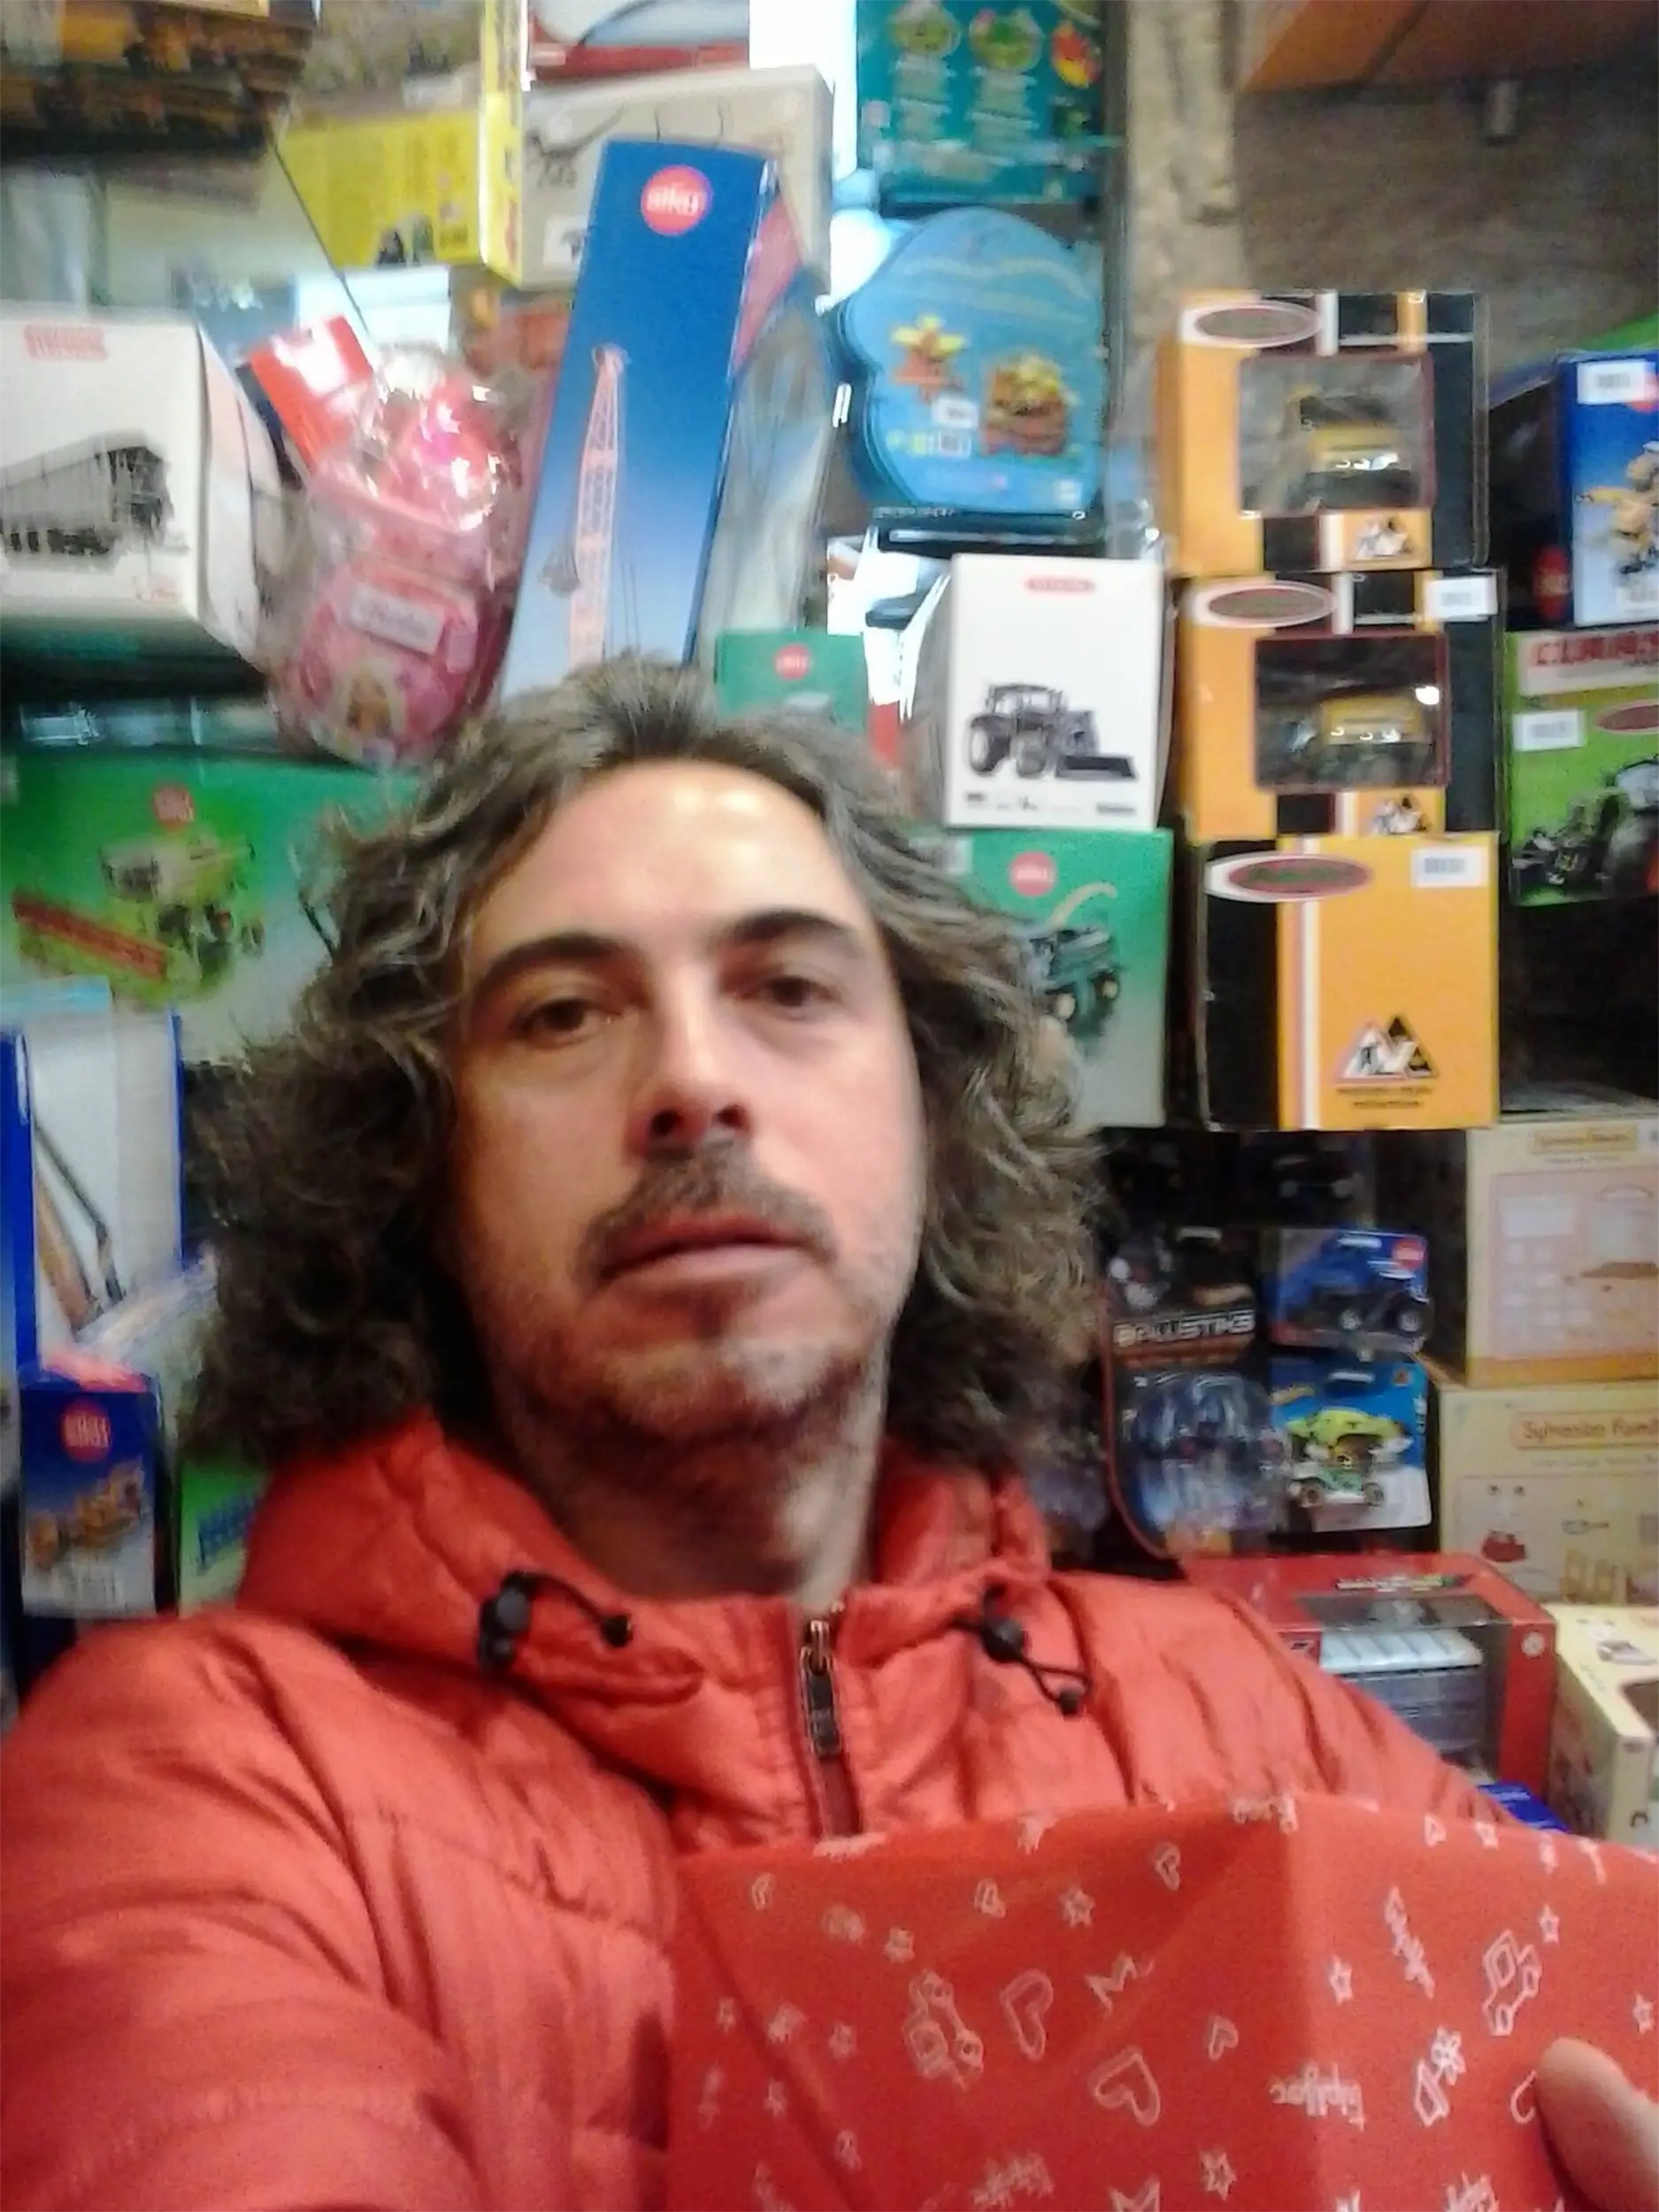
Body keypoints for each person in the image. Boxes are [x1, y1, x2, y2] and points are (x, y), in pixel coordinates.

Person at [0, 657, 1651, 2211]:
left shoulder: (1253, 1720)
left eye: (787, 987)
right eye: (562, 1015)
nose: (691, 1081)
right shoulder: (196, 1785)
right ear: (419, 1171)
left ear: (934, 1120)